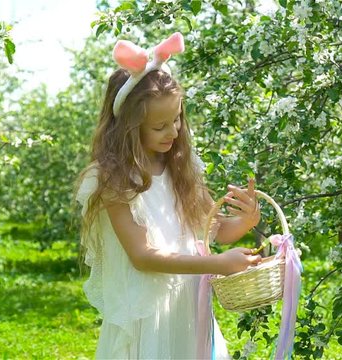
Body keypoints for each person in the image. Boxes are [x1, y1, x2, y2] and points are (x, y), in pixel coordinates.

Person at [73, 32, 262, 359]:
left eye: (176, 119)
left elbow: (212, 229)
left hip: (186, 305)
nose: (173, 132)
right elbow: (142, 256)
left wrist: (245, 220)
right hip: (148, 314)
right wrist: (217, 263)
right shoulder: (115, 179)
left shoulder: (180, 167)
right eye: (159, 126)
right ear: (129, 127)